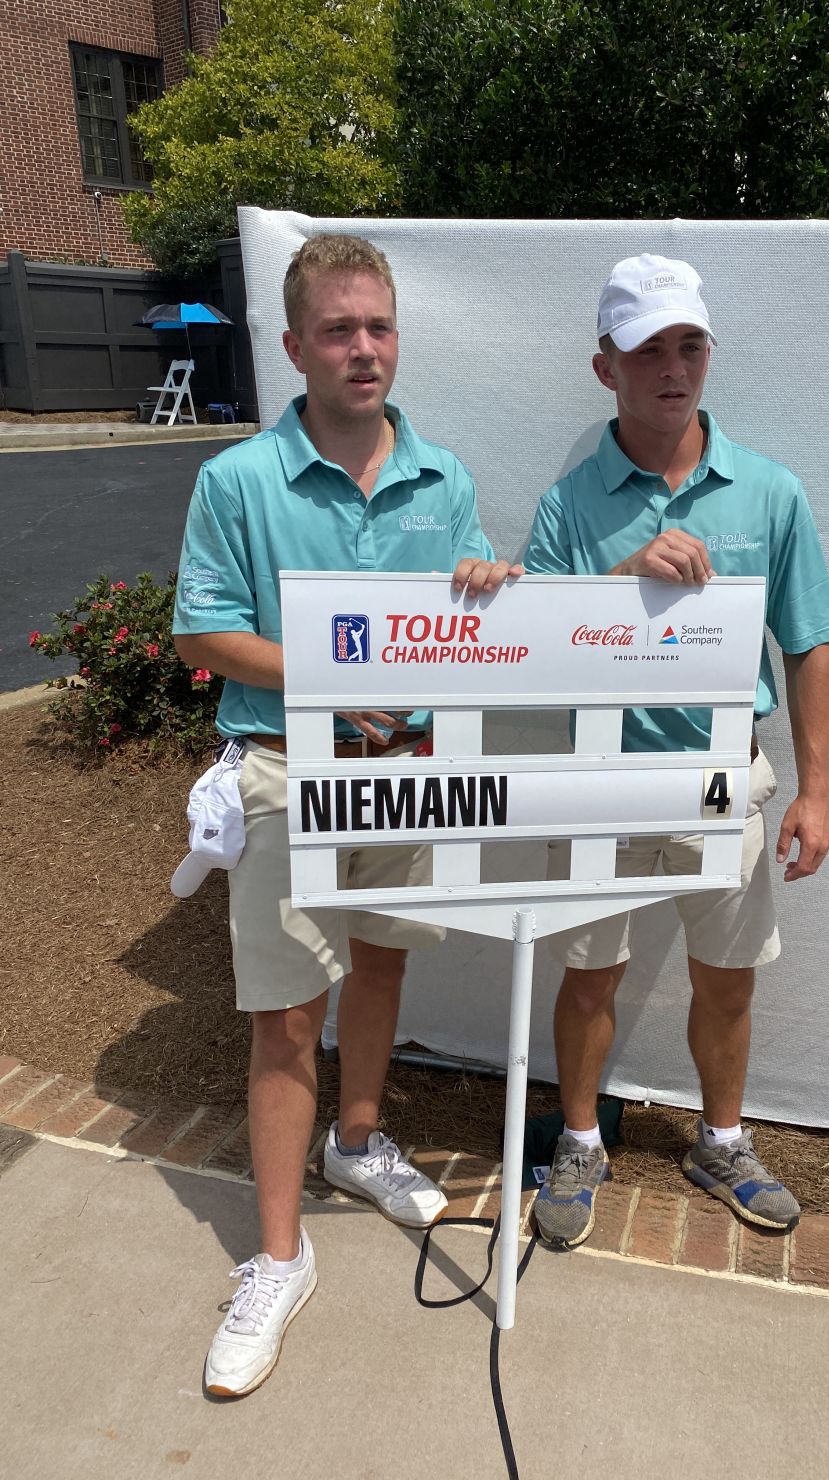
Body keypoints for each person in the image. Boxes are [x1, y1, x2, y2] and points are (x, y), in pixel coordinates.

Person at [173, 234, 520, 1397]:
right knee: (283, 1018)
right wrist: (332, 677)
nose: (362, 348)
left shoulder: (446, 474)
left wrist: (489, 585)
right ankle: (279, 1255)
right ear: (293, 346)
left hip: (404, 764)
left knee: (379, 968)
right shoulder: (239, 482)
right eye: (338, 329)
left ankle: (359, 1142)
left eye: (377, 327)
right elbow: (201, 632)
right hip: (282, 767)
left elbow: (464, 623)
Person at [523, 254, 829, 1250]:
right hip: (602, 774)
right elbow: (531, 652)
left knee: (729, 975)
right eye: (647, 347)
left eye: (689, 343)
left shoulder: (770, 493)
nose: (673, 365)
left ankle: (722, 1137)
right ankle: (578, 1140)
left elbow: (809, 638)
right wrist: (622, 574)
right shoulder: (570, 506)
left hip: (726, 769)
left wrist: (816, 788)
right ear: (604, 367)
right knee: (587, 973)